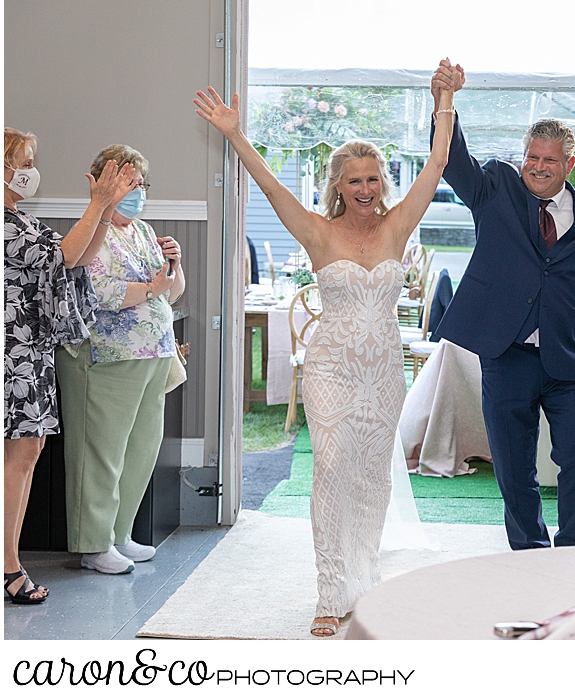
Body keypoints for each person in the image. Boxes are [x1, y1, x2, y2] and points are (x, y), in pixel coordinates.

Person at [194, 59, 458, 637]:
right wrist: (235, 132)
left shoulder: (397, 226)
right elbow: (268, 183)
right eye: (354, 180)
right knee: (333, 467)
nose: (365, 189)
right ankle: (330, 589)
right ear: (337, 184)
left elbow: (437, 161)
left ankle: (361, 580)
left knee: (371, 475)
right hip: (332, 366)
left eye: (373, 179)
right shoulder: (316, 230)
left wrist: (442, 98)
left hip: (384, 369)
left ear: (382, 183)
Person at [429, 65, 575, 552]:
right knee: (514, 466)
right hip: (508, 355)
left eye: (549, 159)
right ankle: (530, 552)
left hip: (571, 362)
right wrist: (444, 100)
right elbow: (454, 162)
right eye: (531, 157)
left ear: (570, 164)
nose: (538, 166)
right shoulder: (495, 188)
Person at [4, 128, 133, 603]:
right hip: (9, 352)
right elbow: (63, 255)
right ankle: (9, 567)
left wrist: (103, 207)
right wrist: (98, 203)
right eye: (25, 159)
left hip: (27, 350)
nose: (32, 169)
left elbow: (76, 259)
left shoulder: (17, 217)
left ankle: (8, 560)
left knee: (27, 454)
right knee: (17, 458)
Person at [55, 144, 185, 574]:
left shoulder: (145, 232)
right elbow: (99, 293)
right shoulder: (93, 229)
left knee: (140, 449)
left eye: (140, 183)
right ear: (106, 183)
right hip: (107, 356)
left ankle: (119, 534)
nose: (136, 191)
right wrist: (150, 289)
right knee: (101, 453)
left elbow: (171, 291)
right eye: (128, 182)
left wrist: (173, 269)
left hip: (153, 352)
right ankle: (93, 544)